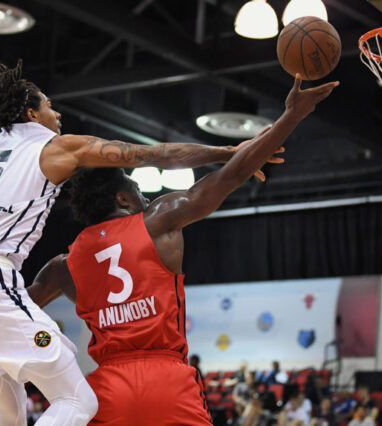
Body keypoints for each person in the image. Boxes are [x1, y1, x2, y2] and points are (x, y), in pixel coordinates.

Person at [0, 58, 270, 426]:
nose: (56, 113)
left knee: (7, 390)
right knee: (78, 400)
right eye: (48, 106)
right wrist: (227, 150)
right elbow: (155, 154)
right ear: (30, 114)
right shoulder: (56, 146)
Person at [26, 74, 338, 424]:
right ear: (123, 198)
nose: (146, 198)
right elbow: (232, 176)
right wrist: (292, 116)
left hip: (109, 388)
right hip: (168, 380)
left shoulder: (63, 267)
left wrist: (42, 345)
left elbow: (10, 309)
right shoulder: (159, 220)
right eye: (138, 191)